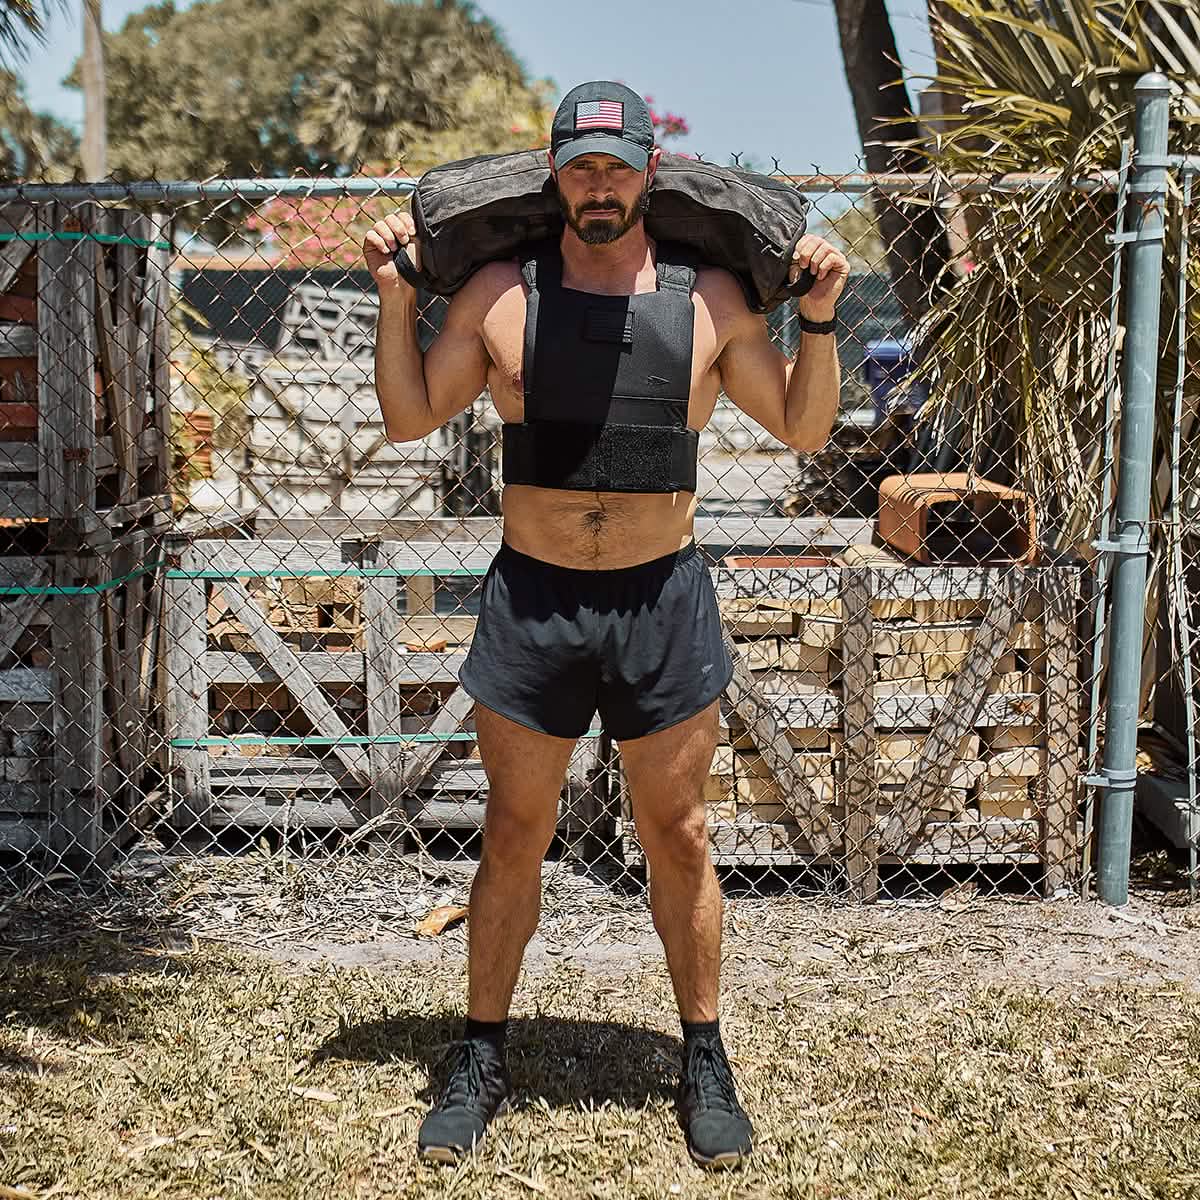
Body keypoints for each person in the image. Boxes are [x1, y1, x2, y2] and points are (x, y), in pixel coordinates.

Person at [364, 80, 848, 1171]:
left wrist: (815, 320)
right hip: (534, 599)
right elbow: (407, 419)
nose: (598, 185)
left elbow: (805, 427)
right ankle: (481, 1055)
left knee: (678, 838)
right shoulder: (499, 292)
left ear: (650, 172)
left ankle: (705, 1058)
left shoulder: (714, 298)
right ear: (552, 173)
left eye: (616, 165)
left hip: (659, 600)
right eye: (579, 167)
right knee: (513, 836)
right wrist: (397, 297)